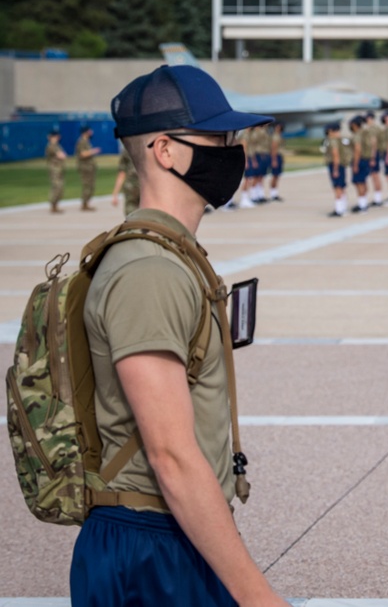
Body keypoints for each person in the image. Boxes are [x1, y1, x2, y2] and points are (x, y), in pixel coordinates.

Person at [71, 64, 288, 606]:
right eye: (217, 137)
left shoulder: (170, 258)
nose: (230, 149)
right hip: (151, 547)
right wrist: (260, 598)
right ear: (165, 151)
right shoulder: (150, 272)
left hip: (175, 535)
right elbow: (169, 454)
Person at [322, 121, 349, 217]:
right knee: (341, 186)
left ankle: (339, 210)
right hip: (342, 165)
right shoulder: (340, 140)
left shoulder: (332, 141)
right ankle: (343, 207)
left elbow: (335, 155)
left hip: (335, 165)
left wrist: (335, 169)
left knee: (337, 187)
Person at [75, 124, 102, 211]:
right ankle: (84, 204)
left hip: (89, 167)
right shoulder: (81, 142)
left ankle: (86, 203)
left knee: (91, 185)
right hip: (85, 167)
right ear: (85, 132)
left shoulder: (86, 141)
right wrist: (93, 151)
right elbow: (83, 154)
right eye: (89, 131)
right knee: (87, 185)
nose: (91, 133)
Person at [111, 145, 140, 216]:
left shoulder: (127, 150)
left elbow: (121, 173)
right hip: (146, 185)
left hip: (131, 185)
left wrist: (115, 194)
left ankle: (132, 225)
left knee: (130, 208)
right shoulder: (148, 147)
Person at [350, 115, 372, 213]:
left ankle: (362, 206)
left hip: (360, 160)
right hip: (366, 159)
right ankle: (363, 203)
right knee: (363, 182)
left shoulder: (357, 135)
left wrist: (355, 164)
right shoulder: (366, 133)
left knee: (359, 183)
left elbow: (357, 150)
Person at [45, 128, 68, 214]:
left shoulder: (57, 146)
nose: (57, 137)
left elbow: (63, 155)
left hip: (59, 169)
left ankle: (56, 205)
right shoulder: (51, 146)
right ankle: (53, 205)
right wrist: (61, 155)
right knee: (56, 187)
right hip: (54, 170)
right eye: (55, 136)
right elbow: (61, 155)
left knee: (60, 187)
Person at [268, 121, 285, 202]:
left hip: (280, 156)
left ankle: (275, 193)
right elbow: (273, 149)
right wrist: (274, 160)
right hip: (276, 156)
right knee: (274, 175)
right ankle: (272, 194)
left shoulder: (279, 135)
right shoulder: (275, 136)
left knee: (277, 175)